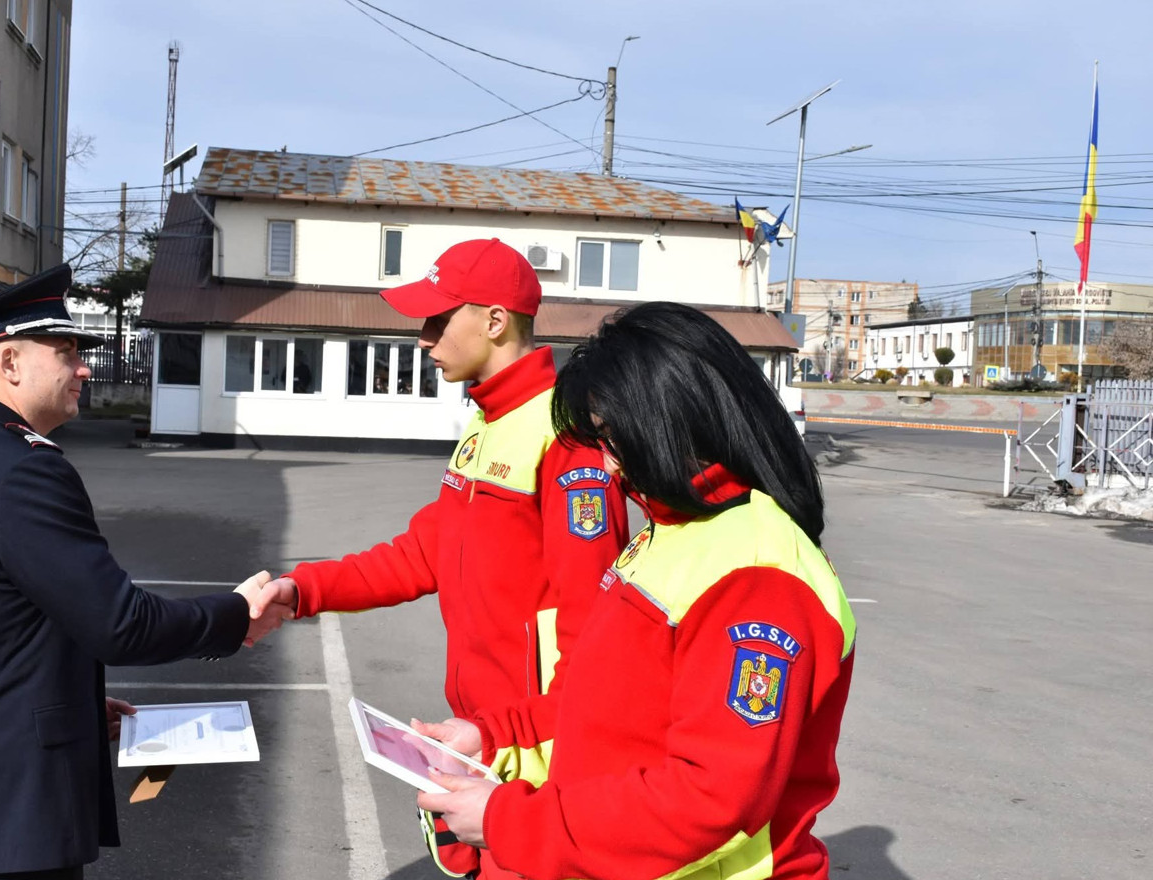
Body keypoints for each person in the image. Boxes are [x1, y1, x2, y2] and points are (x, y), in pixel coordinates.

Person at [413, 301, 857, 880]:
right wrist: (492, 735)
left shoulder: (757, 576)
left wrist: (508, 821)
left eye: (612, 438)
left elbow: (711, 801)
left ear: (672, 419)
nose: (606, 463)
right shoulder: (671, 530)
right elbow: (599, 701)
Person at [0, 265, 287, 880]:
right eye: (66, 352)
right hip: (13, 813)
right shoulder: (25, 471)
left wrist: (70, 701)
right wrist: (235, 615)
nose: (84, 368)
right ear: (12, 365)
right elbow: (120, 624)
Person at [250, 238, 628, 878]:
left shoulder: (563, 436)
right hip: (483, 735)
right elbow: (421, 555)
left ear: (495, 319)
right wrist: (302, 589)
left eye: (438, 319)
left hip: (533, 753)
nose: (423, 338)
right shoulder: (486, 424)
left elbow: (593, 625)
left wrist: (521, 735)